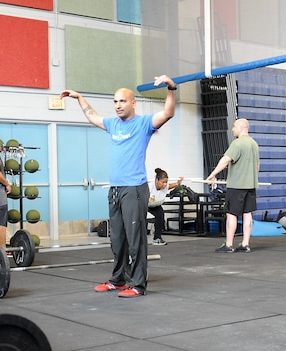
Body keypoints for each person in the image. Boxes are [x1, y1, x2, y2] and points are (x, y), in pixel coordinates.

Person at [60, 75, 177, 297]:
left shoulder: (143, 123)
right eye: (115, 101)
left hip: (134, 188)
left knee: (136, 240)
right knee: (118, 239)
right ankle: (118, 280)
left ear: (133, 103)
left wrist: (171, 87)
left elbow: (168, 113)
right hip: (115, 189)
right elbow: (93, 117)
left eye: (122, 101)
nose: (117, 105)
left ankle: (138, 284)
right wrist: (80, 98)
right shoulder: (113, 124)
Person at [205, 118, 259, 253]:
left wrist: (213, 174)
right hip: (251, 185)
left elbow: (225, 160)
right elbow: (257, 166)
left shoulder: (237, 143)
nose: (232, 129)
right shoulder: (254, 144)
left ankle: (229, 245)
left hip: (236, 186)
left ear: (241, 128)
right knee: (247, 214)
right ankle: (245, 244)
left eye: (234, 126)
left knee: (231, 214)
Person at [148, 168, 183, 245]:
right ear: (156, 180)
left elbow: (169, 186)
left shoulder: (165, 186)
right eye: (163, 182)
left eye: (166, 182)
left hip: (155, 205)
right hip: (144, 205)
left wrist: (178, 183)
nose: (165, 184)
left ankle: (157, 238)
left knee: (160, 215)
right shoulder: (149, 186)